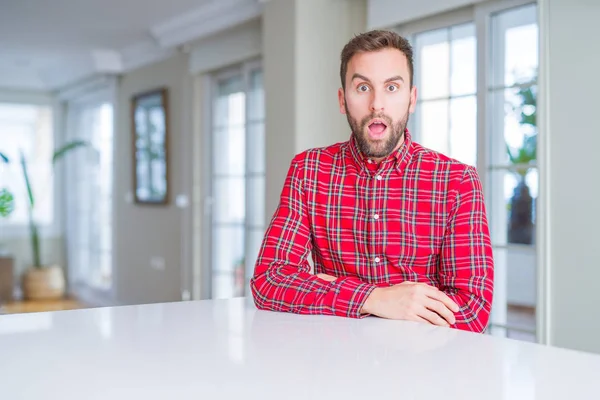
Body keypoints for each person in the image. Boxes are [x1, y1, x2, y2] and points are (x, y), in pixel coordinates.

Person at [250, 30, 494, 333]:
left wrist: (331, 285)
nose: (377, 104)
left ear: (411, 98)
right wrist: (375, 298)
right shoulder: (308, 171)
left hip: (423, 369)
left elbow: (471, 310)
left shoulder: (456, 181)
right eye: (363, 87)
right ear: (342, 99)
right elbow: (270, 280)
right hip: (333, 364)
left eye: (392, 87)